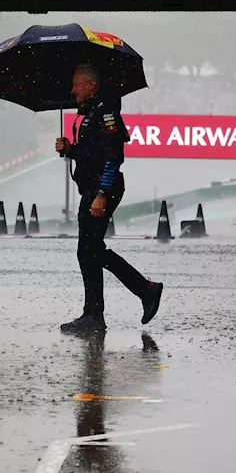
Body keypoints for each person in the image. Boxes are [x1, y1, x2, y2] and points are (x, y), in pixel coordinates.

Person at [55, 63, 163, 333]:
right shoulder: (91, 112)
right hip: (92, 189)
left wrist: (102, 194)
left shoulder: (107, 112)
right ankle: (101, 310)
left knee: (89, 251)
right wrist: (71, 149)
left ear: (91, 85)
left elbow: (114, 157)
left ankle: (111, 307)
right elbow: (92, 154)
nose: (73, 90)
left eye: (77, 85)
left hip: (103, 190)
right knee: (89, 251)